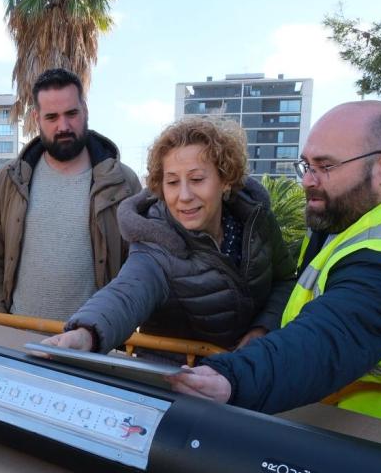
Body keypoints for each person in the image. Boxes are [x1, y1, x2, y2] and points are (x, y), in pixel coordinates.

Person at [169, 101, 381, 442]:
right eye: (306, 165)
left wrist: (233, 377)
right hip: (369, 427)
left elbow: (329, 338)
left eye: (325, 166)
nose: (308, 181)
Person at [42, 118, 294, 354]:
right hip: (176, 383)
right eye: (172, 182)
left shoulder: (257, 222)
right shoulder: (155, 240)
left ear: (226, 179)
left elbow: (285, 281)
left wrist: (263, 329)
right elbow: (126, 293)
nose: (184, 195)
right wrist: (86, 334)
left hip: (251, 376)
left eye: (196, 179)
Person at [0, 68, 141, 321]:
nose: (63, 126)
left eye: (71, 113)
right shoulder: (8, 181)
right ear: (36, 118)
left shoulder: (122, 183)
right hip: (16, 342)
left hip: (92, 347)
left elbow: (138, 270)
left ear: (85, 110)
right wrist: (0, 322)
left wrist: (106, 328)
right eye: (52, 117)